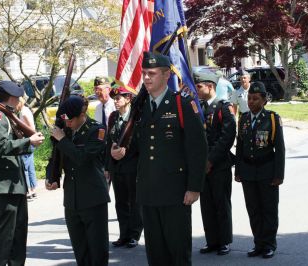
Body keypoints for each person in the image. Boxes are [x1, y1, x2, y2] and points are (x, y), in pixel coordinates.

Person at [111, 52, 207, 265]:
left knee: (177, 251)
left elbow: (197, 149)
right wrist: (120, 150)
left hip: (175, 191)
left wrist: (194, 187)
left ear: (165, 75)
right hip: (148, 192)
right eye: (144, 73)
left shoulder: (181, 105)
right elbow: (136, 145)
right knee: (156, 254)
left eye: (151, 73)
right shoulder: (140, 108)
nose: (146, 78)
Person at [0, 80, 44, 266]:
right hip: (4, 187)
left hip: (15, 185)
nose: (20, 101)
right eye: (18, 97)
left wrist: (28, 141)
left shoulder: (7, 115)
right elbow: (1, 146)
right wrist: (28, 142)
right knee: (4, 237)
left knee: (18, 235)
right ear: (12, 97)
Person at [46, 95, 110, 265]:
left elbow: (81, 158)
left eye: (71, 120)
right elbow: (55, 155)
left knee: (97, 249)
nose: (68, 124)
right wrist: (51, 177)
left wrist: (63, 140)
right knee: (80, 249)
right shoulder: (65, 130)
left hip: (93, 197)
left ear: (82, 115)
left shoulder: (97, 130)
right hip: (72, 199)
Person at [235, 81, 285, 259]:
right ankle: (258, 243)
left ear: (264, 100)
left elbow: (279, 149)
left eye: (255, 99)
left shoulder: (272, 118)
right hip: (248, 171)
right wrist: (238, 171)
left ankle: (269, 244)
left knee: (268, 209)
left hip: (267, 171)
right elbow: (240, 146)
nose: (251, 102)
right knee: (254, 209)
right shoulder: (243, 119)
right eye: (249, 98)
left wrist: (279, 175)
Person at [193, 70, 236, 256]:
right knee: (207, 205)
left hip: (219, 166)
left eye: (199, 86)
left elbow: (227, 137)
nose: (197, 89)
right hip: (203, 166)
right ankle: (212, 240)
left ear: (210, 87)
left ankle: (224, 241)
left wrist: (211, 160)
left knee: (221, 203)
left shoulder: (223, 108)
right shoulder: (200, 109)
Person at [105, 86, 143, 248]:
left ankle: (134, 234)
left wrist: (126, 149)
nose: (115, 101)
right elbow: (109, 140)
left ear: (128, 98)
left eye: (119, 98)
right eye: (114, 98)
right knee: (120, 202)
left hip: (133, 165)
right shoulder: (113, 116)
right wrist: (108, 166)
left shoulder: (136, 117)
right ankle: (124, 234)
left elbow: (141, 140)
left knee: (134, 202)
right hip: (117, 166)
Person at [16, 97, 38, 198]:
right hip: (31, 141)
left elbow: (31, 128)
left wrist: (19, 130)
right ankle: (33, 190)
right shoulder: (26, 110)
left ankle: (28, 190)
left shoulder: (23, 112)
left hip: (28, 141)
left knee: (24, 167)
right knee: (30, 167)